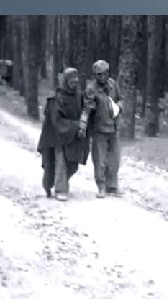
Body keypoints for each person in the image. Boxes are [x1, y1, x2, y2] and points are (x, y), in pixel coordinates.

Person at [37, 68, 90, 201]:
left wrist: (86, 116)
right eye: (71, 82)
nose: (74, 84)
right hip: (57, 136)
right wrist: (76, 125)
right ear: (66, 81)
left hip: (72, 135)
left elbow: (86, 108)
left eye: (76, 82)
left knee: (72, 164)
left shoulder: (78, 96)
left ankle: (60, 182)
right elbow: (56, 121)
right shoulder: (57, 98)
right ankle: (60, 189)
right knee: (60, 161)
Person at [79, 60, 122, 198]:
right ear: (95, 75)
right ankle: (101, 187)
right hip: (99, 130)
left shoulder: (113, 85)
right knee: (100, 160)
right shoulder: (91, 89)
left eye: (104, 74)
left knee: (114, 160)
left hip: (113, 128)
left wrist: (119, 107)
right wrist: (84, 124)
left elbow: (120, 99)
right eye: (98, 75)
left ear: (107, 73)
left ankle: (113, 186)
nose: (101, 77)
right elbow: (86, 108)